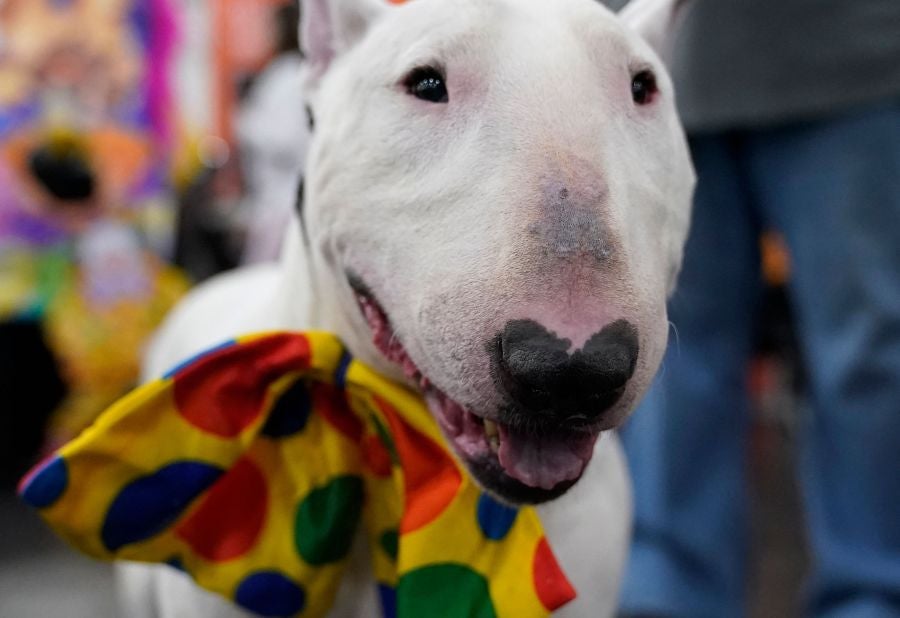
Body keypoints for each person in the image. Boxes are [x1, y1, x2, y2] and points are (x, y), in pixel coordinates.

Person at [615, 1, 900, 616]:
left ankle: (875, 593)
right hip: (661, 65)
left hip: (858, 65)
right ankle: (666, 595)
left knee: (868, 353)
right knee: (667, 351)